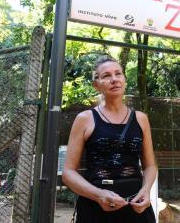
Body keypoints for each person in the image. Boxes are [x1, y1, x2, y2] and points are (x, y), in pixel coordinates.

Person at [63, 55, 157, 223]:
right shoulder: (85, 119)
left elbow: (150, 165)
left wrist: (146, 190)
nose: (114, 79)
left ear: (124, 79)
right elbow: (68, 173)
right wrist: (99, 195)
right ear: (96, 84)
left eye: (118, 74)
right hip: (95, 208)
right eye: (106, 76)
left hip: (136, 206)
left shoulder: (141, 118)